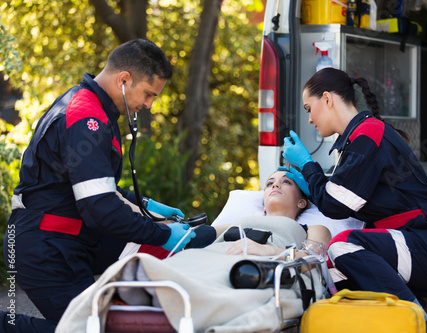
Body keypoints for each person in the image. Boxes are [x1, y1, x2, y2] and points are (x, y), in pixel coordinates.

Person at [1, 39, 196, 333]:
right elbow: (100, 209)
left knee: (104, 322)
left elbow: (92, 186)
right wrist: (163, 234)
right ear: (124, 80)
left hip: (67, 239)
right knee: (88, 330)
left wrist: (145, 204)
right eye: (148, 94)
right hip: (45, 247)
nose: (148, 104)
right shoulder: (86, 118)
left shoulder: (95, 110)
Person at [282, 67, 427, 332]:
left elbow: (336, 205)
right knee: (332, 276)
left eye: (309, 108)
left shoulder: (367, 135)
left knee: (342, 246)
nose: (309, 119)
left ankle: (420, 323)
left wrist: (309, 166)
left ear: (328, 100)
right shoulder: (358, 138)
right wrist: (311, 185)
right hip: (418, 245)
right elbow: (342, 196)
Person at [55, 169, 332, 333]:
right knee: (178, 264)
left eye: (286, 182)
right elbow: (192, 236)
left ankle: (162, 301)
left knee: (221, 281)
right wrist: (150, 214)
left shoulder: (312, 228)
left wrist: (267, 250)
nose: (275, 186)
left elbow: (314, 260)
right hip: (211, 256)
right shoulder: (235, 223)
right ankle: (149, 292)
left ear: (302, 202)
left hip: (254, 265)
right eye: (270, 183)